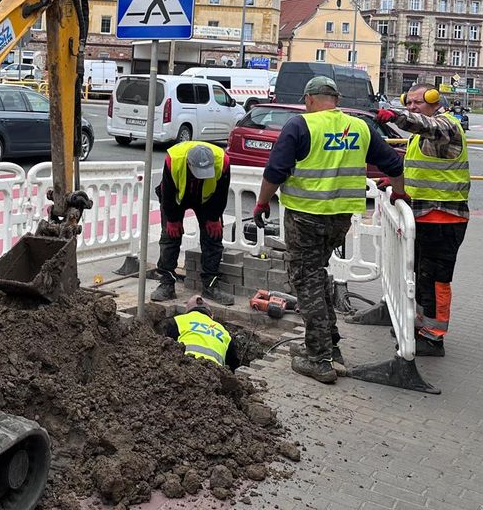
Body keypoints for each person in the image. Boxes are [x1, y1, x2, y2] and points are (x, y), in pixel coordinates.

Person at [252, 76, 406, 384]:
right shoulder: (360, 126)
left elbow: (275, 171)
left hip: (305, 218)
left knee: (305, 281)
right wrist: (399, 193)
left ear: (309, 99)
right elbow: (394, 164)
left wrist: (261, 203)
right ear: (335, 100)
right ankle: (329, 346)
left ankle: (319, 359)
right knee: (317, 275)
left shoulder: (300, 126)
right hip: (340, 219)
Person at [377, 84, 470, 357]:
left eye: (418, 102)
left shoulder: (446, 126)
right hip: (425, 215)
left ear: (433, 100)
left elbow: (427, 125)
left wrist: (396, 116)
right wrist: (396, 183)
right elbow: (420, 169)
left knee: (438, 279)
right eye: (408, 103)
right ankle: (421, 325)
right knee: (422, 276)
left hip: (444, 217)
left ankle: (434, 336)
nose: (412, 107)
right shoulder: (421, 136)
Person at [152, 140, 235, 306]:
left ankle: (210, 286)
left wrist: (214, 217)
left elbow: (221, 193)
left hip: (207, 199)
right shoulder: (174, 159)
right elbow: (167, 192)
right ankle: (166, 283)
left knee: (213, 237)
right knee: (169, 237)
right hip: (176, 197)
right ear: (189, 163)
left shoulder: (222, 161)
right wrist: (172, 220)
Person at [154, 295, 241, 370]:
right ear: (211, 316)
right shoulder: (224, 332)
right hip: (214, 374)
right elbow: (233, 367)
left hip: (184, 369)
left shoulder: (179, 320)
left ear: (186, 312)